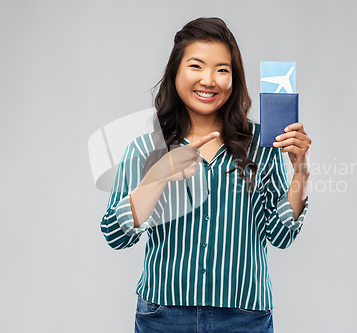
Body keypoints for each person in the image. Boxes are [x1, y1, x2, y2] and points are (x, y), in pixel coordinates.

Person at [100, 17, 311, 333]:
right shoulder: (147, 146)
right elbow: (116, 236)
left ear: (234, 79)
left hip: (244, 316)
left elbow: (281, 234)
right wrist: (158, 175)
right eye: (196, 66)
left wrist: (301, 170)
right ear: (176, 73)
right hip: (164, 316)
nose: (209, 80)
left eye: (222, 70)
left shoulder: (263, 144)